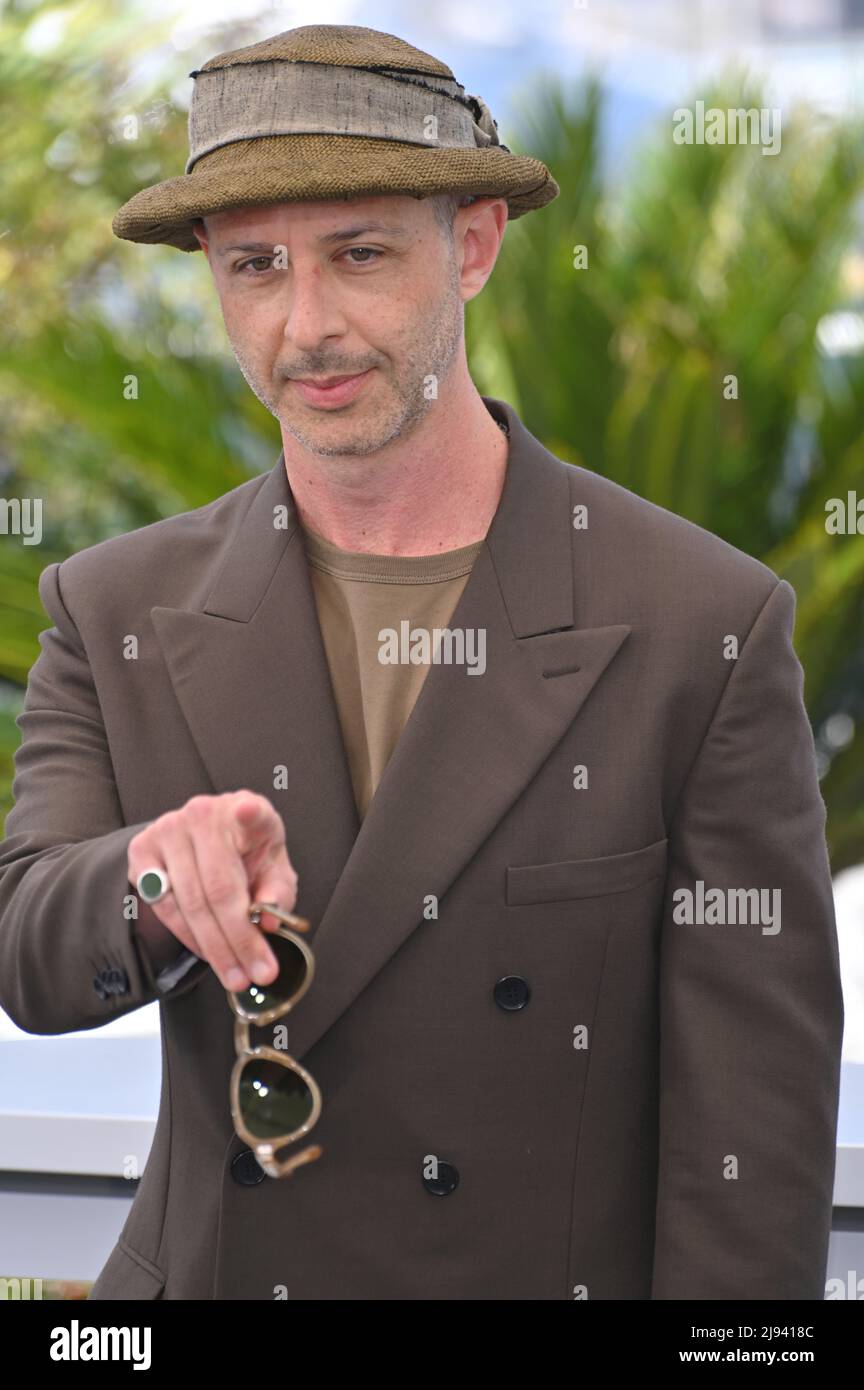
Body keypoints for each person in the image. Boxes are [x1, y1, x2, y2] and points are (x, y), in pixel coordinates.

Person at [0, 23, 843, 1300]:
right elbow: (27, 948)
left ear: (475, 245)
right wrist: (155, 879)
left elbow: (755, 1144)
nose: (307, 324)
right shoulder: (111, 604)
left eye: (361, 254)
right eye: (256, 267)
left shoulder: (700, 627)